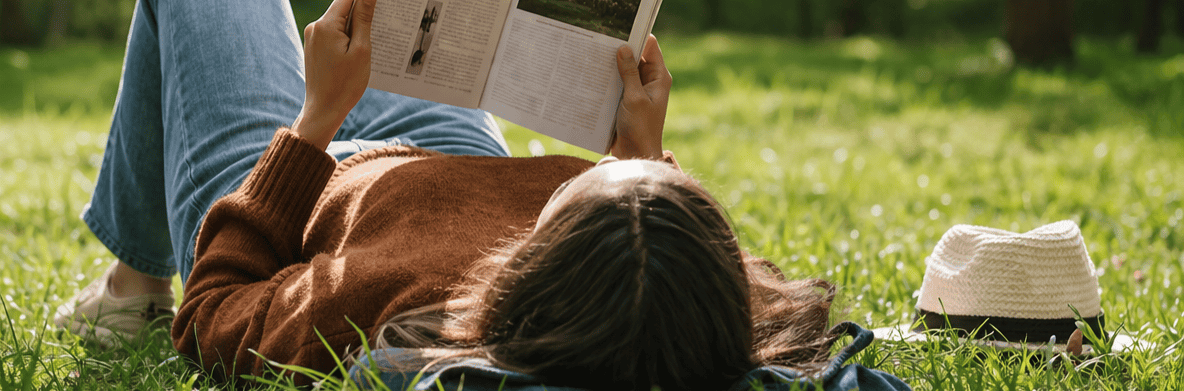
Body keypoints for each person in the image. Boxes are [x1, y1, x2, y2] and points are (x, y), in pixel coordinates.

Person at [54, 0, 911, 389]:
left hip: (314, 184)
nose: (572, 175)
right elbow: (683, 263)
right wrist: (644, 156)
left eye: (576, 189)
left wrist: (315, 122)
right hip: (451, 153)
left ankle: (135, 282)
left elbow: (216, 306)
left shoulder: (384, 312)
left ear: (534, 263)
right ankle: (127, 278)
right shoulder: (684, 299)